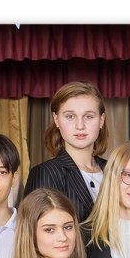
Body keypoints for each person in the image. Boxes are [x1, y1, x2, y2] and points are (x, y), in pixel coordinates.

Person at [23, 81, 109, 225]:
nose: (80, 126)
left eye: (88, 116)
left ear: (101, 120)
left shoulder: (115, 170)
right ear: (56, 119)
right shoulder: (45, 173)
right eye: (70, 116)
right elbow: (33, 232)